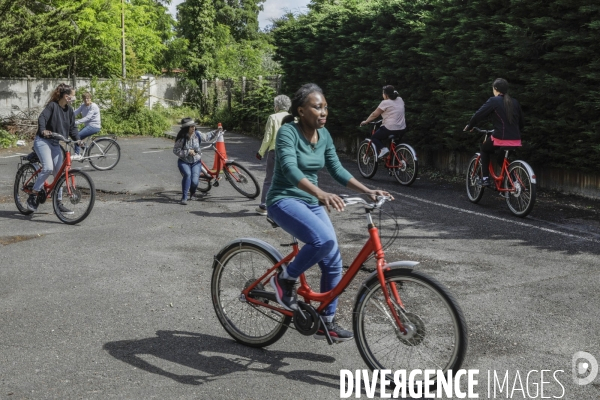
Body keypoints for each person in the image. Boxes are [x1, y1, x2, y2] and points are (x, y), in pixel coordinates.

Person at [267, 83, 392, 342]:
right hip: (284, 199)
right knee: (323, 240)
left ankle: (326, 321)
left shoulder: (324, 136)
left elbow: (337, 169)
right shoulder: (288, 133)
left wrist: (368, 190)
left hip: (311, 201)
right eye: (317, 107)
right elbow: (290, 169)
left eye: (325, 107)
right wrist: (321, 194)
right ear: (301, 111)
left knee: (333, 259)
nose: (323, 112)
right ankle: (285, 279)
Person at [27, 83, 81, 213]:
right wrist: (43, 130)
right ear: (66, 96)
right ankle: (33, 195)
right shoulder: (52, 106)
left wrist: (78, 139)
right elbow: (42, 118)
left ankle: (58, 203)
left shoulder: (69, 111)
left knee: (59, 173)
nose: (74, 98)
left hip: (56, 143)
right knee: (48, 168)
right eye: (73, 96)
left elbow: (72, 128)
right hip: (43, 141)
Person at [464, 78, 524, 187]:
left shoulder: (493, 101)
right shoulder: (515, 102)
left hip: (500, 138)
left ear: (495, 89)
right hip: (516, 140)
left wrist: (470, 125)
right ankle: (515, 182)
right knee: (501, 160)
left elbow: (478, 115)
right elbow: (521, 124)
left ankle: (485, 178)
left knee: (484, 149)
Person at [255, 94, 292, 216]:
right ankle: (287, 206)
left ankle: (264, 206)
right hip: (290, 153)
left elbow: (268, 137)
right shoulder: (294, 118)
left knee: (269, 179)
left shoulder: (273, 117)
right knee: (288, 179)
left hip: (275, 152)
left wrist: (260, 152)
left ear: (277, 106)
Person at [360, 85, 407, 159]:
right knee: (394, 147)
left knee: (374, 137)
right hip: (402, 128)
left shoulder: (385, 102)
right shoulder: (400, 99)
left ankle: (383, 149)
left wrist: (366, 121)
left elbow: (374, 115)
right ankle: (394, 167)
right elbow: (395, 94)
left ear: (385, 94)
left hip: (390, 128)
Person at [173, 117, 205, 205]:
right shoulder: (182, 138)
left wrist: (218, 131)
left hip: (196, 161)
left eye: (194, 126)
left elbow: (207, 136)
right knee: (187, 175)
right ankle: (184, 197)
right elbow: (175, 150)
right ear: (187, 128)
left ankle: (193, 192)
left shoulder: (197, 135)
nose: (193, 128)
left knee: (195, 181)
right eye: (191, 126)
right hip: (184, 161)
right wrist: (188, 152)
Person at [72, 92, 102, 160]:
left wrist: (76, 122)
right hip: (88, 126)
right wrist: (66, 117)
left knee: (78, 136)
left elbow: (87, 118)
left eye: (88, 98)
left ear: (90, 98)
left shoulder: (93, 106)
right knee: (76, 135)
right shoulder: (83, 106)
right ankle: (86, 148)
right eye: (84, 98)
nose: (86, 100)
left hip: (94, 126)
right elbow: (75, 112)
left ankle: (77, 154)